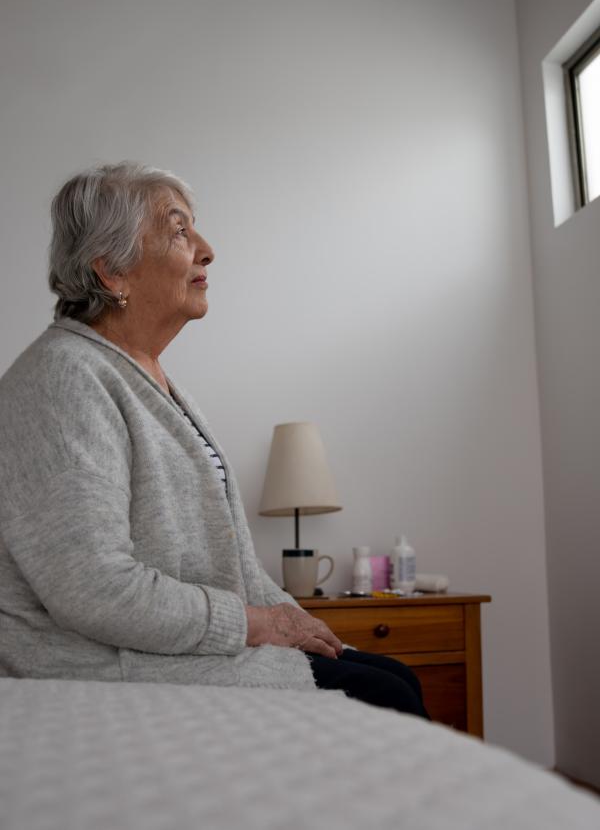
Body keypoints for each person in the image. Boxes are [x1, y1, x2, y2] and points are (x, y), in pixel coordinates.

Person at [0, 162, 428, 718]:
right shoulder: (63, 379)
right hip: (106, 669)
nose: (207, 250)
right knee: (387, 695)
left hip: (176, 653)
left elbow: (235, 568)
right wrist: (258, 625)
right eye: (179, 231)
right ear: (111, 271)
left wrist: (295, 620)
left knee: (393, 675)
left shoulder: (147, 377)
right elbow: (93, 587)